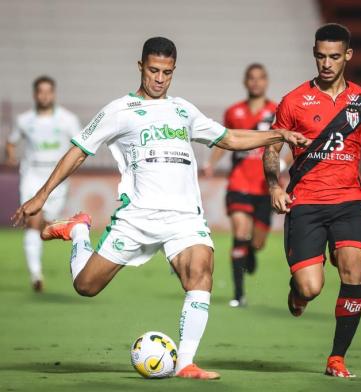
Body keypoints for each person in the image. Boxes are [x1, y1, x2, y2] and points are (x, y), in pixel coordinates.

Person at [12, 37, 308, 380]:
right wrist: (43, 194)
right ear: (140, 67)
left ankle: (185, 363)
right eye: (153, 70)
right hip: (136, 217)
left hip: (184, 218)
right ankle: (79, 229)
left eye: (167, 72)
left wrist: (279, 135)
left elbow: (229, 138)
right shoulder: (118, 110)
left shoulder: (183, 110)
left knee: (200, 272)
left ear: (173, 71)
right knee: (86, 286)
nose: (159, 78)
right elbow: (79, 150)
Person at [263, 23, 361, 378]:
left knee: (354, 267)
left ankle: (337, 357)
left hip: (350, 200)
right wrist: (275, 185)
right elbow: (272, 148)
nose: (326, 63)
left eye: (334, 56)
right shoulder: (293, 101)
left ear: (348, 55)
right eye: (320, 56)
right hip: (305, 202)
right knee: (311, 287)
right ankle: (298, 294)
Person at [204, 64, 284, 307]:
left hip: (264, 187)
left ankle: (249, 250)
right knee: (239, 232)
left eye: (260, 78)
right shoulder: (234, 112)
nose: (256, 82)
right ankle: (238, 295)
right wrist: (212, 163)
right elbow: (223, 140)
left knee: (257, 242)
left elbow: (290, 142)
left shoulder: (277, 111)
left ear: (266, 81)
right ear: (245, 82)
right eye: (251, 78)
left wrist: (283, 162)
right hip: (239, 183)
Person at [5, 76, 81, 292]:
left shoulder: (68, 119)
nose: (45, 95)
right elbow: (11, 142)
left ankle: (61, 231)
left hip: (57, 177)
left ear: (54, 94)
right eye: (41, 91)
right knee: (32, 222)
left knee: (45, 225)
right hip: (32, 175)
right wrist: (10, 156)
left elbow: (80, 147)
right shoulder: (24, 120)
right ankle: (36, 275)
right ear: (35, 94)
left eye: (49, 91)